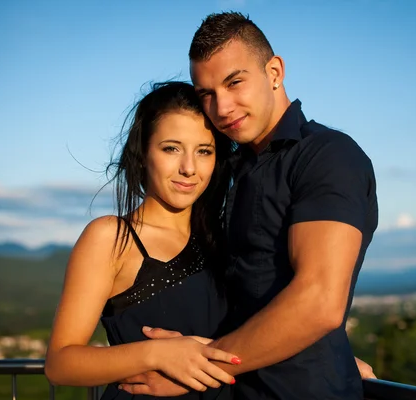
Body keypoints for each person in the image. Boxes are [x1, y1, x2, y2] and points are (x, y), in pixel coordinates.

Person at [119, 11, 378, 400]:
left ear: (274, 72)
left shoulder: (328, 155)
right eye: (206, 93)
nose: (221, 107)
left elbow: (320, 303)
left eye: (234, 82)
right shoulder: (232, 167)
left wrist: (200, 367)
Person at [44, 81, 240, 399]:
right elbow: (60, 364)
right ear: (143, 154)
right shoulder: (112, 237)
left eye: (204, 151)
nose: (189, 168)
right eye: (171, 148)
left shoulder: (227, 238)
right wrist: (159, 354)